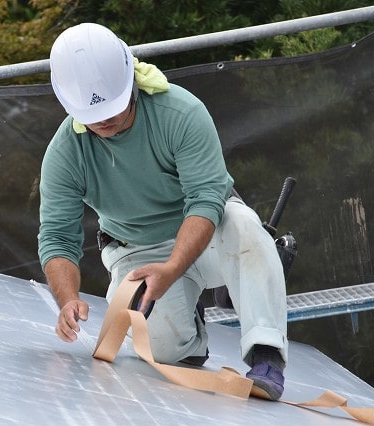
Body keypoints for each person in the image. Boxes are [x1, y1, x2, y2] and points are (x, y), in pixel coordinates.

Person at [37, 22, 288, 401]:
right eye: (93, 114)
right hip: (137, 250)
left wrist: (173, 269)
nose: (104, 119)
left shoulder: (181, 112)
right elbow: (57, 238)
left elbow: (205, 199)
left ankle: (266, 355)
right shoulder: (64, 153)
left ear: (129, 81)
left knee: (246, 230)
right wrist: (67, 298)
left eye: (113, 106)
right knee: (161, 351)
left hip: (210, 235)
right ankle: (193, 325)